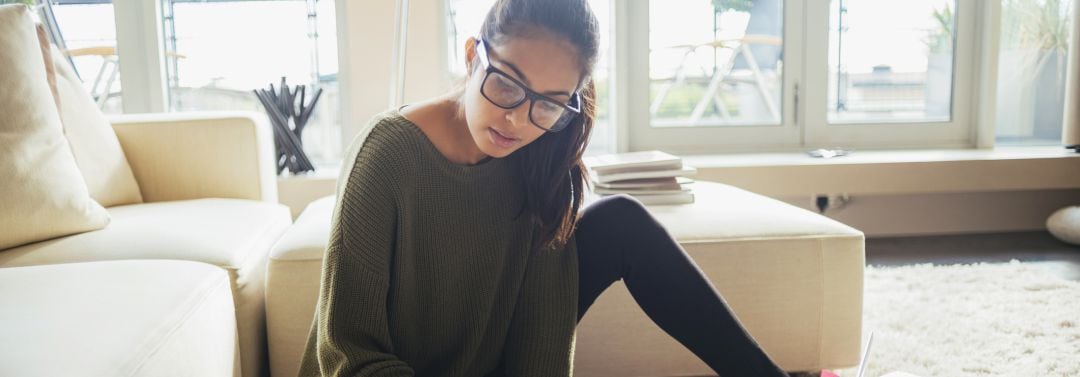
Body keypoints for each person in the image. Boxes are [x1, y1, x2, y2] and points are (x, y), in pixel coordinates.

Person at [296, 0, 790, 376]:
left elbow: (540, 345)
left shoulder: (539, 155)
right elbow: (348, 351)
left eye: (550, 103)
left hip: (488, 362)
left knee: (620, 222)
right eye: (507, 83)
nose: (518, 118)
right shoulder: (386, 156)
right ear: (472, 56)